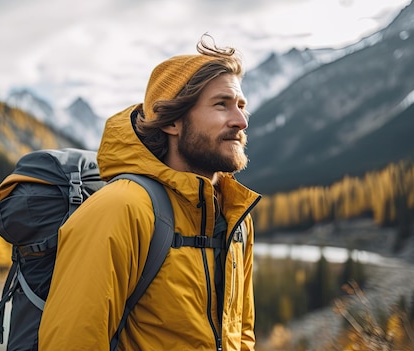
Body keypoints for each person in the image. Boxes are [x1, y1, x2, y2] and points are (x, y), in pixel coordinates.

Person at [38, 34, 261, 350]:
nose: (240, 121)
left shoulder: (236, 216)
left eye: (241, 106)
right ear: (172, 122)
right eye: (221, 105)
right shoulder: (122, 207)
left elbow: (242, 333)